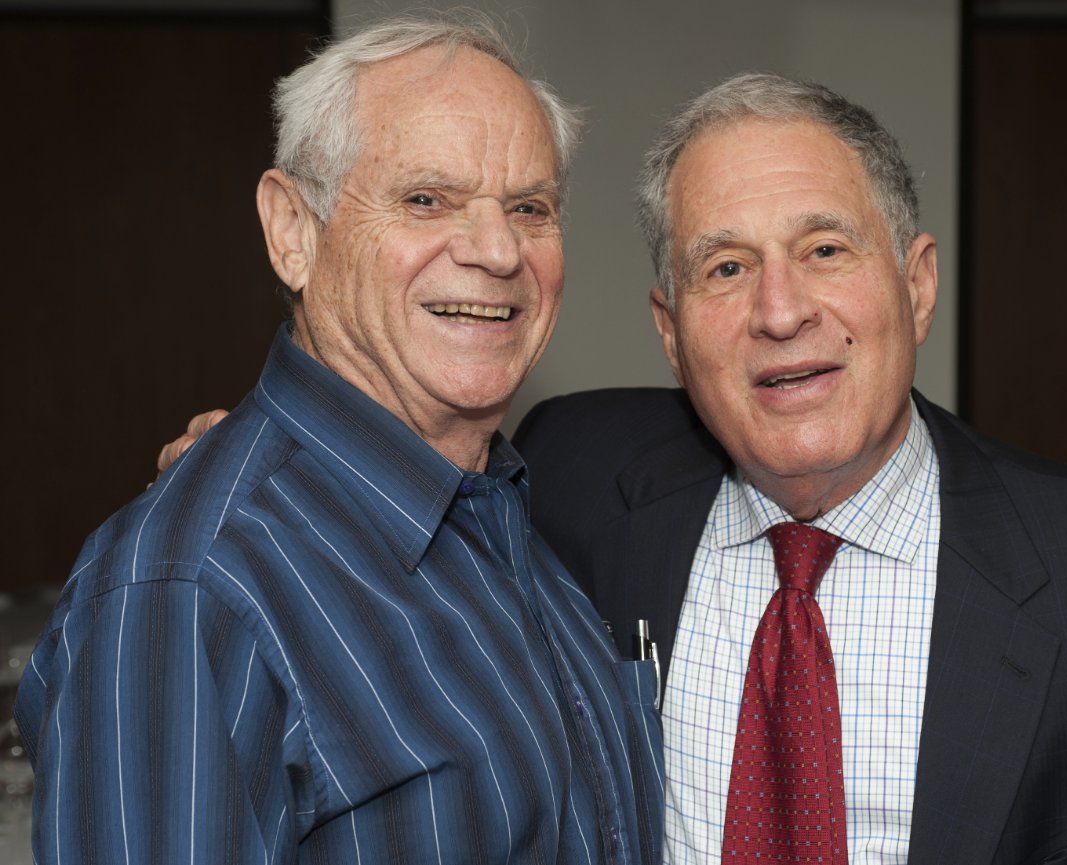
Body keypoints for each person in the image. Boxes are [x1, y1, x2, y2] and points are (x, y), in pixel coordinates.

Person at [159, 75, 1067, 863]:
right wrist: (275, 465)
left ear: (917, 283)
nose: (781, 311)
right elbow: (400, 487)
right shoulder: (574, 475)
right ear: (669, 327)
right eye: (725, 267)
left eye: (825, 248)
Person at [17, 16, 662, 865]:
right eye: (426, 199)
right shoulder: (186, 593)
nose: (498, 250)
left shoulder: (515, 519)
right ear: (293, 230)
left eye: (529, 208)